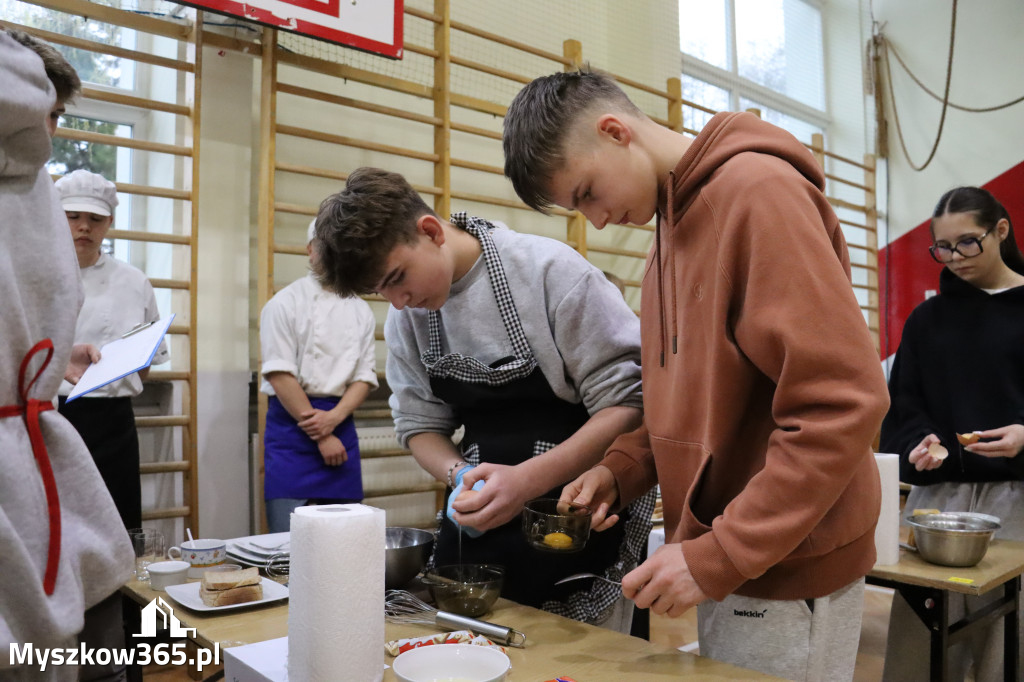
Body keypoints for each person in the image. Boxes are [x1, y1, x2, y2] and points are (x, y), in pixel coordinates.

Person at [502, 68, 889, 680]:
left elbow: (842, 404)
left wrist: (723, 552)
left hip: (782, 561)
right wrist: (620, 469)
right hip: (726, 549)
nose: (597, 221)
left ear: (615, 131)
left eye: (587, 194)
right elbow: (687, 398)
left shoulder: (758, 192)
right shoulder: (667, 231)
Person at [313, 167, 655, 632]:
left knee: (582, 659)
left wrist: (528, 482)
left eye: (398, 278)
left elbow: (628, 405)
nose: (398, 301)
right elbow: (419, 427)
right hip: (491, 514)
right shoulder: (408, 318)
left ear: (430, 231)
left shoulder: (548, 272)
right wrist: (461, 476)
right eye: (382, 292)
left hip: (581, 509)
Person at [0, 31, 133, 680]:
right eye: (49, 116)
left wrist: (47, 361)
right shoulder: (28, 191)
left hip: (40, 417)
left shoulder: (32, 194)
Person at [880, 186, 1024, 682]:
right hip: (937, 504)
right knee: (919, 640)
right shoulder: (927, 320)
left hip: (1018, 499)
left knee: (1009, 640)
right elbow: (903, 406)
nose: (954, 258)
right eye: (942, 247)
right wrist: (923, 441)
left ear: (1000, 231)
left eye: (967, 243)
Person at [53, 169, 169, 533]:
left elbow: (146, 361)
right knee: (60, 525)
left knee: (120, 524)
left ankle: (124, 593)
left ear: (110, 223)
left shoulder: (134, 282)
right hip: (55, 417)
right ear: (57, 217)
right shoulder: (38, 276)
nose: (83, 227)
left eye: (94, 219)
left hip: (116, 421)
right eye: (73, 217)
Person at [259, 219, 379, 533]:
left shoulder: (360, 310)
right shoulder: (283, 304)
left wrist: (334, 419)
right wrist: (323, 434)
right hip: (292, 429)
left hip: (341, 424)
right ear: (310, 250)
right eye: (323, 247)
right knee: (286, 545)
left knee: (345, 540)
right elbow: (279, 374)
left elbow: (364, 377)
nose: (329, 255)